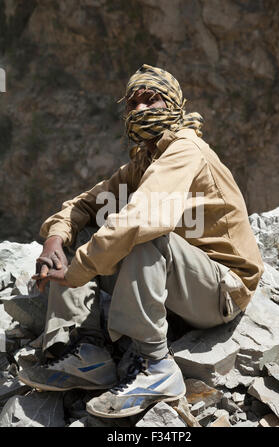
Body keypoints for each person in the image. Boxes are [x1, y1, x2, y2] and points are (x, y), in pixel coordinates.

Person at [18, 64, 264, 418]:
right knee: (85, 227)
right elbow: (86, 204)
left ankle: (156, 366)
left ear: (173, 103)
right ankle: (89, 355)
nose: (140, 110)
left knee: (144, 234)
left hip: (223, 290)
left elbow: (145, 217)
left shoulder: (185, 149)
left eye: (151, 100)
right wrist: (55, 238)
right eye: (133, 104)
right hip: (184, 284)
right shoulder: (146, 159)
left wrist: (77, 271)